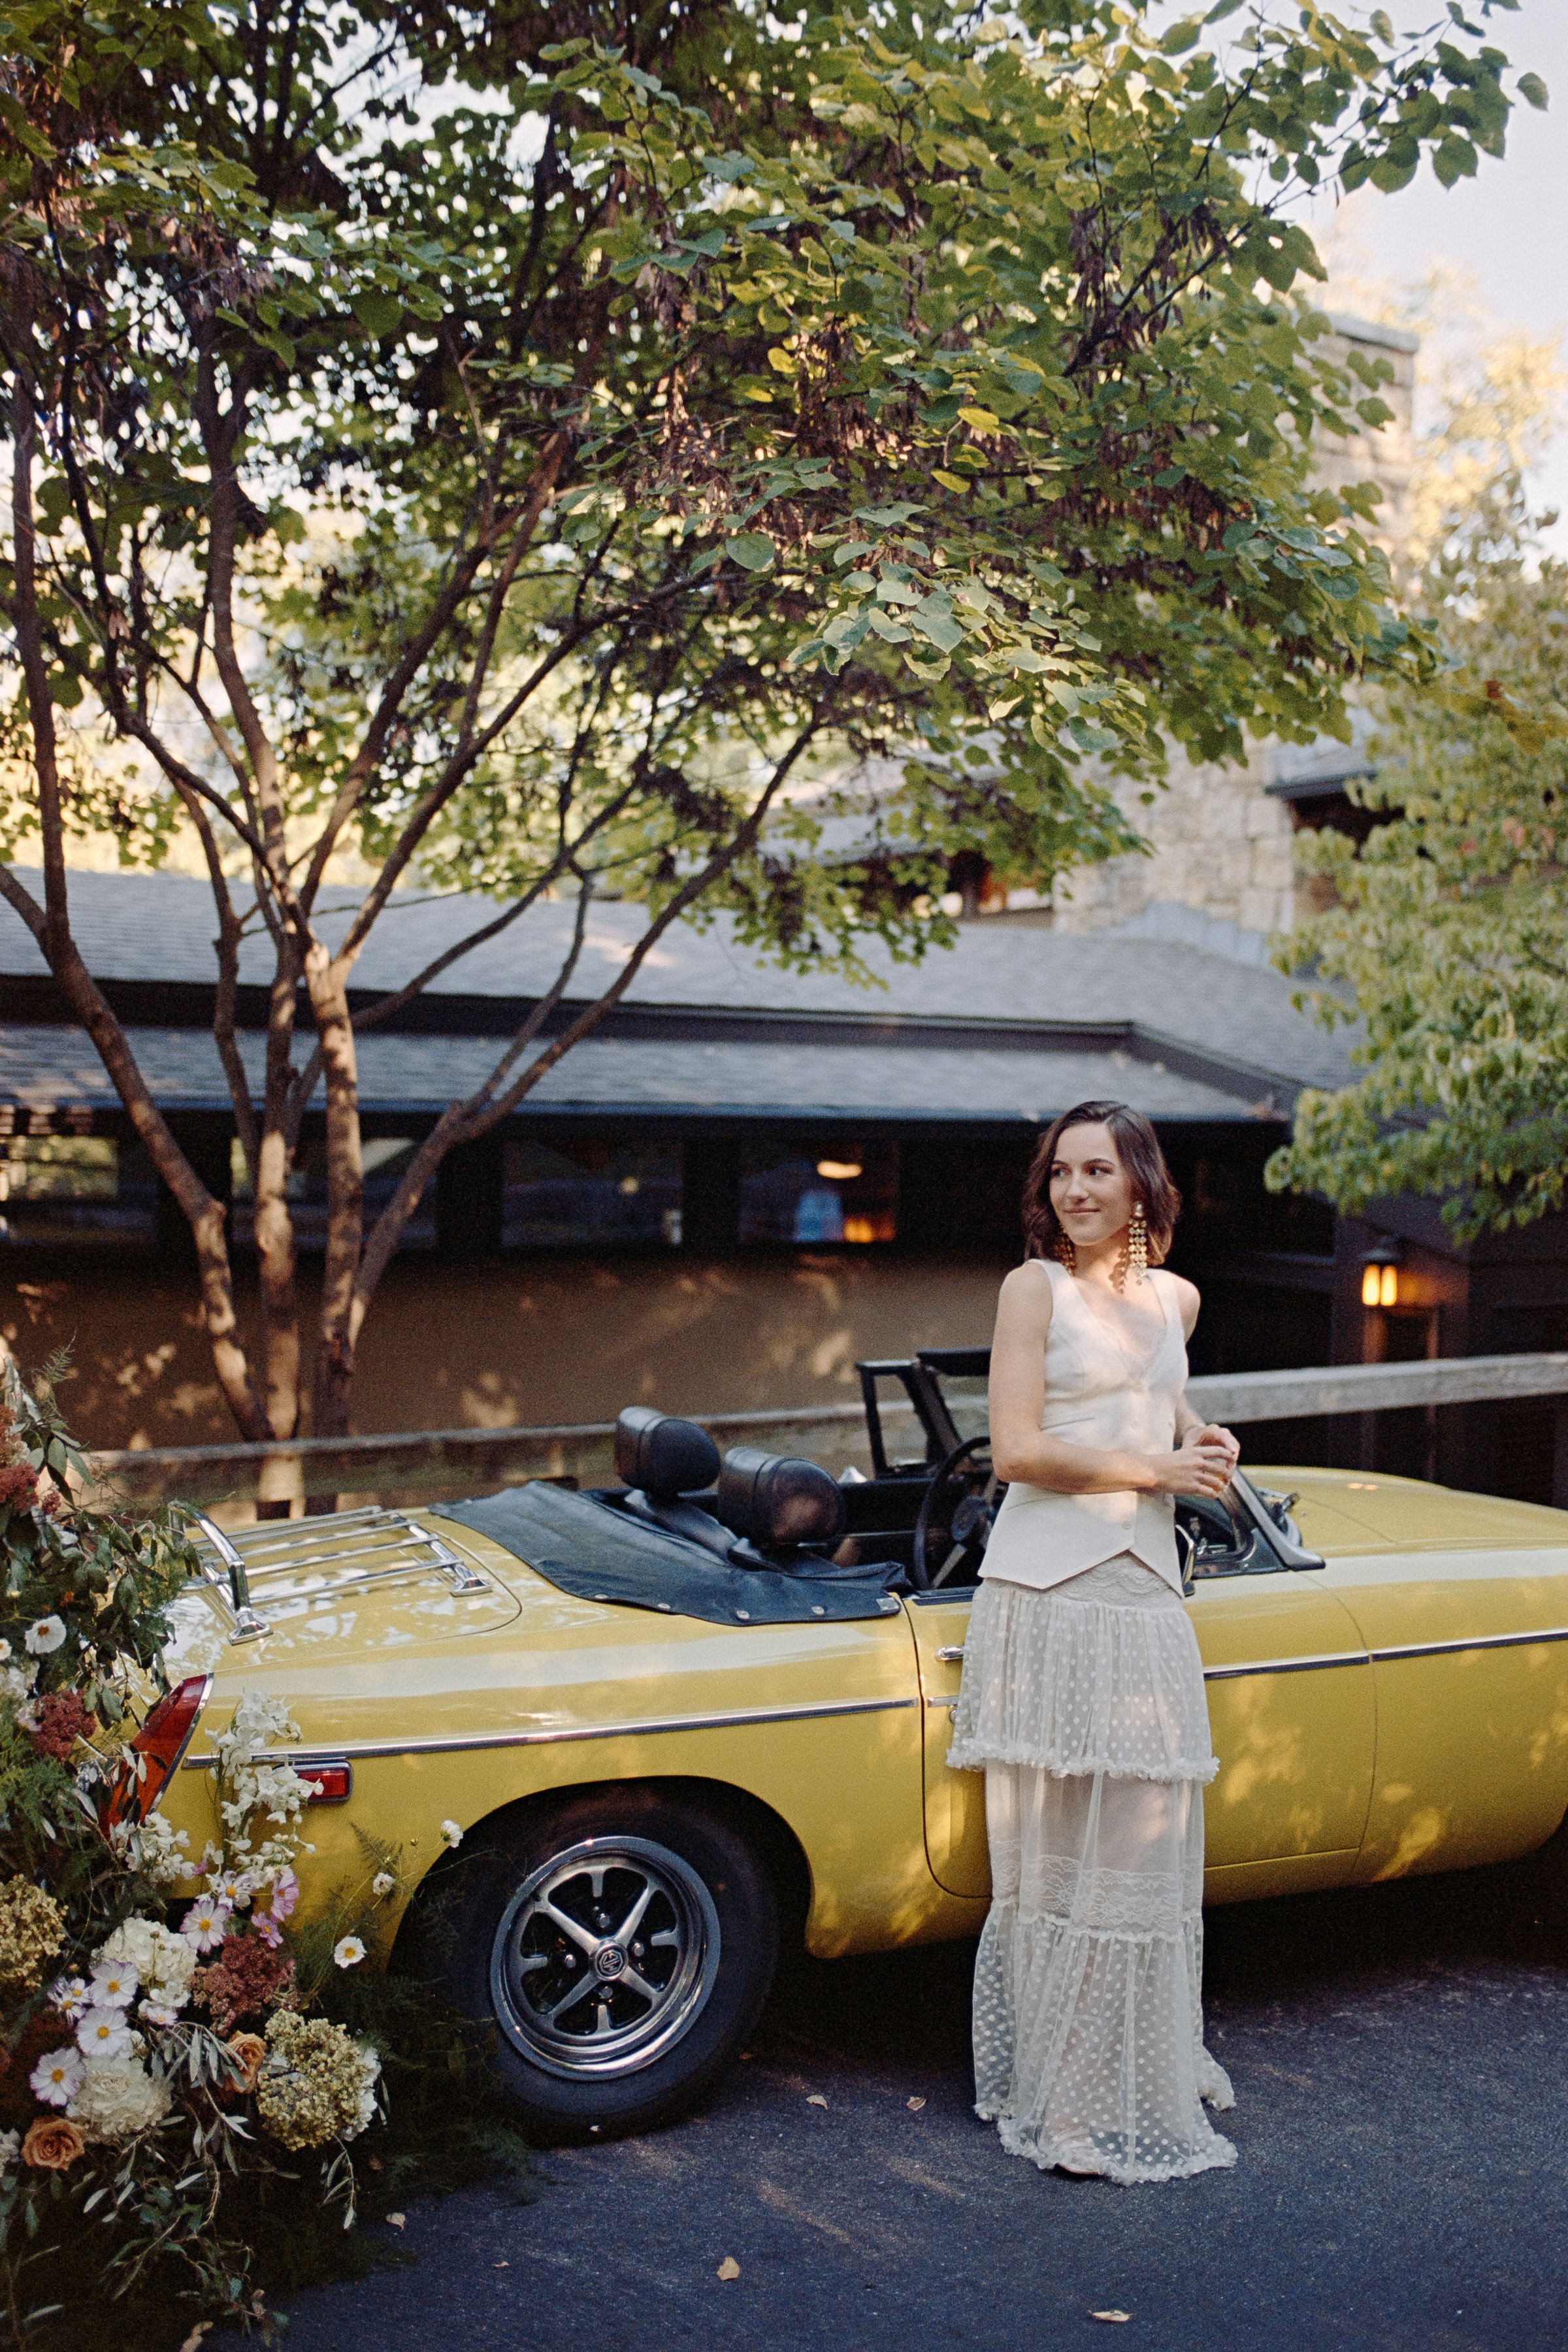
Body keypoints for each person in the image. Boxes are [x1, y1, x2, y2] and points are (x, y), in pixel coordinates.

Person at [948, 1100, 1241, 2185]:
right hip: (1046, 1591)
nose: (1075, 1190)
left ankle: (1144, 2056)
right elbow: (1017, 1450)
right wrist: (1160, 1469)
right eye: (1061, 1172)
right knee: (1058, 1862)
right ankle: (1066, 2103)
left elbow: (1160, 1405)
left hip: (1144, 1590)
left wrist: (1199, 1438)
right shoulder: (1034, 1290)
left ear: (1141, 1187)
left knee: (1141, 1852)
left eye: (1098, 1172)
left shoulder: (1177, 1299)